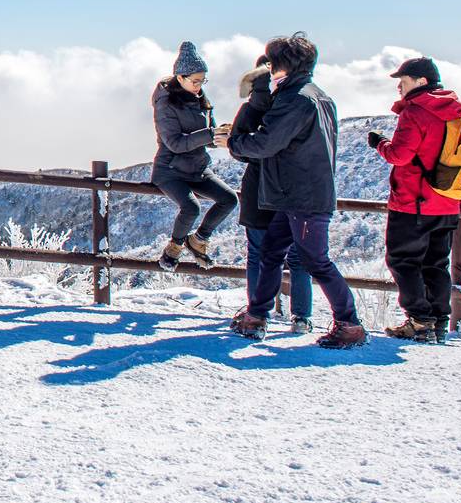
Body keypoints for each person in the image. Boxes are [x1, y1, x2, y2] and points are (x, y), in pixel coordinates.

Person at [228, 34, 367, 349]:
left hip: (302, 199)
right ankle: (256, 316)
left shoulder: (294, 100)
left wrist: (234, 143)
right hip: (298, 196)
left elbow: (266, 142)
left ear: (281, 66)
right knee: (272, 253)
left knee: (317, 260)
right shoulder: (319, 96)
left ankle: (349, 324)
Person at [368, 57, 461, 343]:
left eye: (404, 79)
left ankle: (419, 320)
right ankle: (438, 321)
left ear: (421, 81)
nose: (399, 85)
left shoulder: (415, 112)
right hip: (447, 202)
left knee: (402, 260)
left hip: (414, 203)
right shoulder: (456, 112)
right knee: (436, 263)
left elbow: (399, 155)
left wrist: (380, 143)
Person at [230, 61, 314, 332]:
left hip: (257, 190)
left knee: (258, 255)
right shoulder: (295, 104)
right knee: (298, 257)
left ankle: (258, 315)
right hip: (292, 189)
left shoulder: (253, 108)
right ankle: (301, 317)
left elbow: (238, 149)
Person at [150, 42, 237, 272]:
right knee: (191, 207)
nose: (199, 86)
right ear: (180, 77)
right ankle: (174, 248)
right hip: (170, 169)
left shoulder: (199, 98)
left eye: (202, 81)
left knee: (229, 200)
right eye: (195, 81)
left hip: (198, 168)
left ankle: (198, 240)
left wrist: (221, 135)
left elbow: (208, 132)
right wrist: (209, 134)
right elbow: (175, 143)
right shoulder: (165, 103)